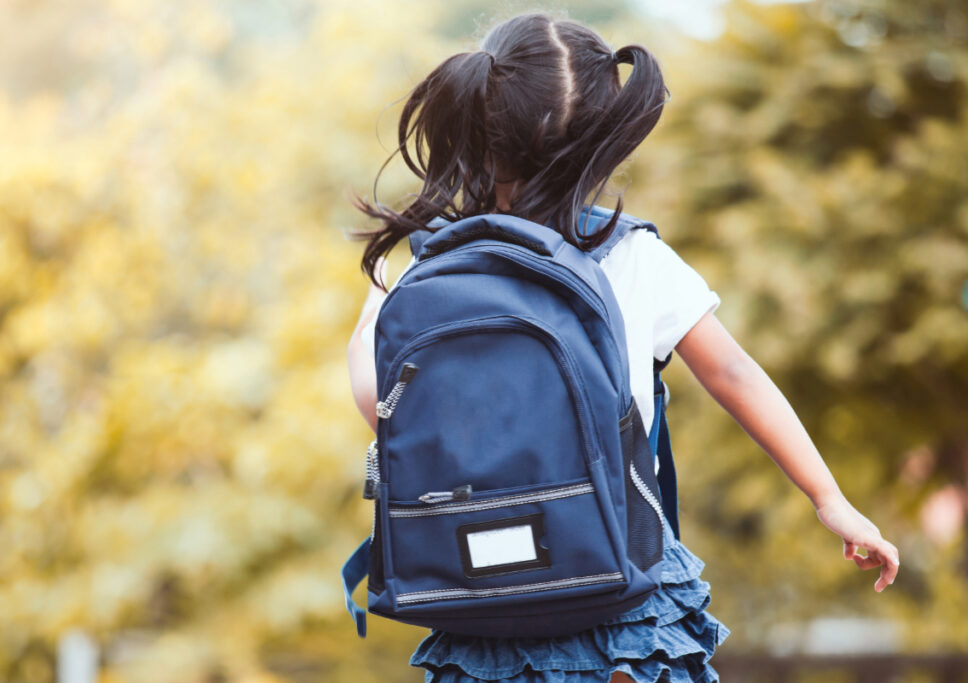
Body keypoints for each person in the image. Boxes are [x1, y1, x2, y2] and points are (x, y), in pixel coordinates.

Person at [345, 12, 899, 683]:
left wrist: (383, 292)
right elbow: (733, 372)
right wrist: (828, 496)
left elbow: (380, 405)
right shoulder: (631, 254)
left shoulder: (433, 266)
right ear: (602, 145)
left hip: (477, 602)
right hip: (621, 599)